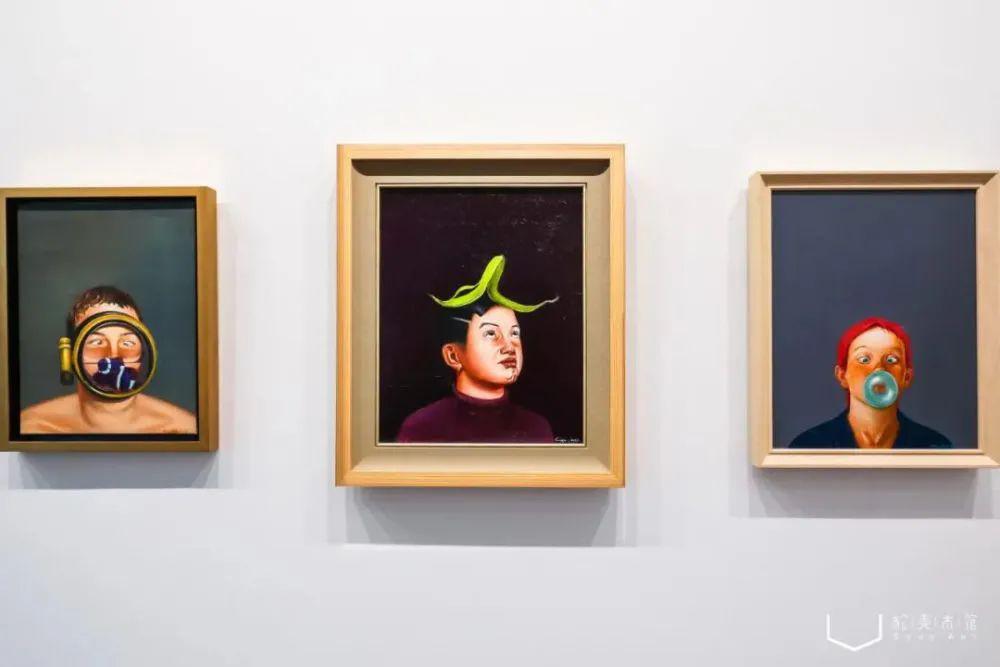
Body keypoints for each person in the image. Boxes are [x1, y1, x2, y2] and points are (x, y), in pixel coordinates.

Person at [396, 255, 556, 443]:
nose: (509, 347)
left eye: (514, 333)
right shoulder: (422, 429)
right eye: (491, 334)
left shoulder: (537, 429)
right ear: (453, 356)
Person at [20, 286, 197, 435]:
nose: (114, 355)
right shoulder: (32, 428)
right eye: (97, 342)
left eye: (127, 343)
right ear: (70, 354)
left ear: (143, 352)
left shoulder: (181, 429)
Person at [789, 316, 951, 449]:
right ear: (842, 375)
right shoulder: (808, 446)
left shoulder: (935, 446)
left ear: (906, 377)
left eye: (891, 360)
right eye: (864, 359)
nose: (878, 369)